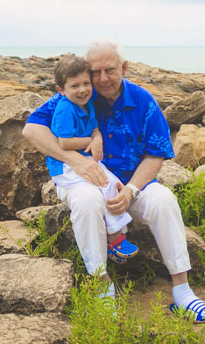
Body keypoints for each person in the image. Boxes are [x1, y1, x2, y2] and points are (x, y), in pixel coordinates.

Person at [23, 39, 205, 322]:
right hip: (83, 183)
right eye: (96, 71)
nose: (102, 79)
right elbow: (31, 130)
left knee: (164, 199)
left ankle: (183, 292)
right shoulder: (76, 94)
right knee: (88, 200)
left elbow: (156, 155)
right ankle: (102, 288)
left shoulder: (143, 101)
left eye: (110, 70)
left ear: (125, 68)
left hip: (131, 185)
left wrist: (131, 191)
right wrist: (75, 160)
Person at [47, 54, 139, 263]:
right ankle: (115, 238)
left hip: (86, 159)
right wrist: (92, 140)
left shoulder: (87, 104)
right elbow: (64, 143)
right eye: (75, 86)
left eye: (86, 83)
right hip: (66, 166)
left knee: (112, 184)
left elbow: (96, 128)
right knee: (98, 191)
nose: (82, 90)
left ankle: (116, 237)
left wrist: (97, 138)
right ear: (61, 90)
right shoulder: (64, 109)